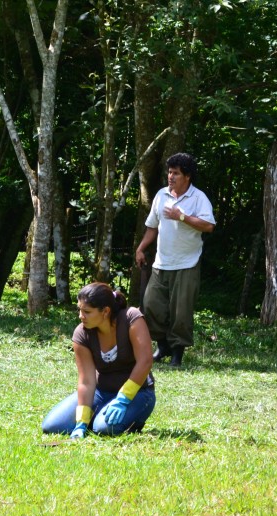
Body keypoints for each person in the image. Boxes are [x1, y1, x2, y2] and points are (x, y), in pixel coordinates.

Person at [42, 282, 156, 438]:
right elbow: (86, 381)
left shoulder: (131, 317)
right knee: (52, 426)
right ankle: (95, 417)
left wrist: (123, 399)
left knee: (102, 428)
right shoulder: (81, 333)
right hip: (101, 392)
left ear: (105, 311)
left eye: (87, 312)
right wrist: (81, 421)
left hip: (139, 393)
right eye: (79, 310)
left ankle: (128, 419)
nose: (81, 316)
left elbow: (145, 361)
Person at [134, 152, 216, 368]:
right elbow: (152, 226)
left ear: (187, 176)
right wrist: (141, 248)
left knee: (181, 313)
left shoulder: (198, 198)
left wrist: (182, 217)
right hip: (161, 263)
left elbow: (208, 226)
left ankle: (177, 354)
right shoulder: (161, 195)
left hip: (187, 263)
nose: (171, 177)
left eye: (176, 173)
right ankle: (163, 347)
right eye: (169, 172)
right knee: (151, 306)